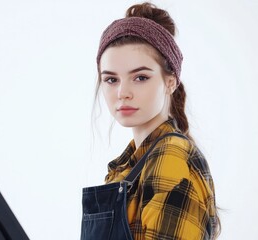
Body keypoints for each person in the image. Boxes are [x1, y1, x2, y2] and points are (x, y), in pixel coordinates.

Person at [81, 2, 221, 240]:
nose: (122, 92)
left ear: (170, 81)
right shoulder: (126, 169)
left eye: (140, 77)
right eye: (111, 80)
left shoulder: (171, 155)